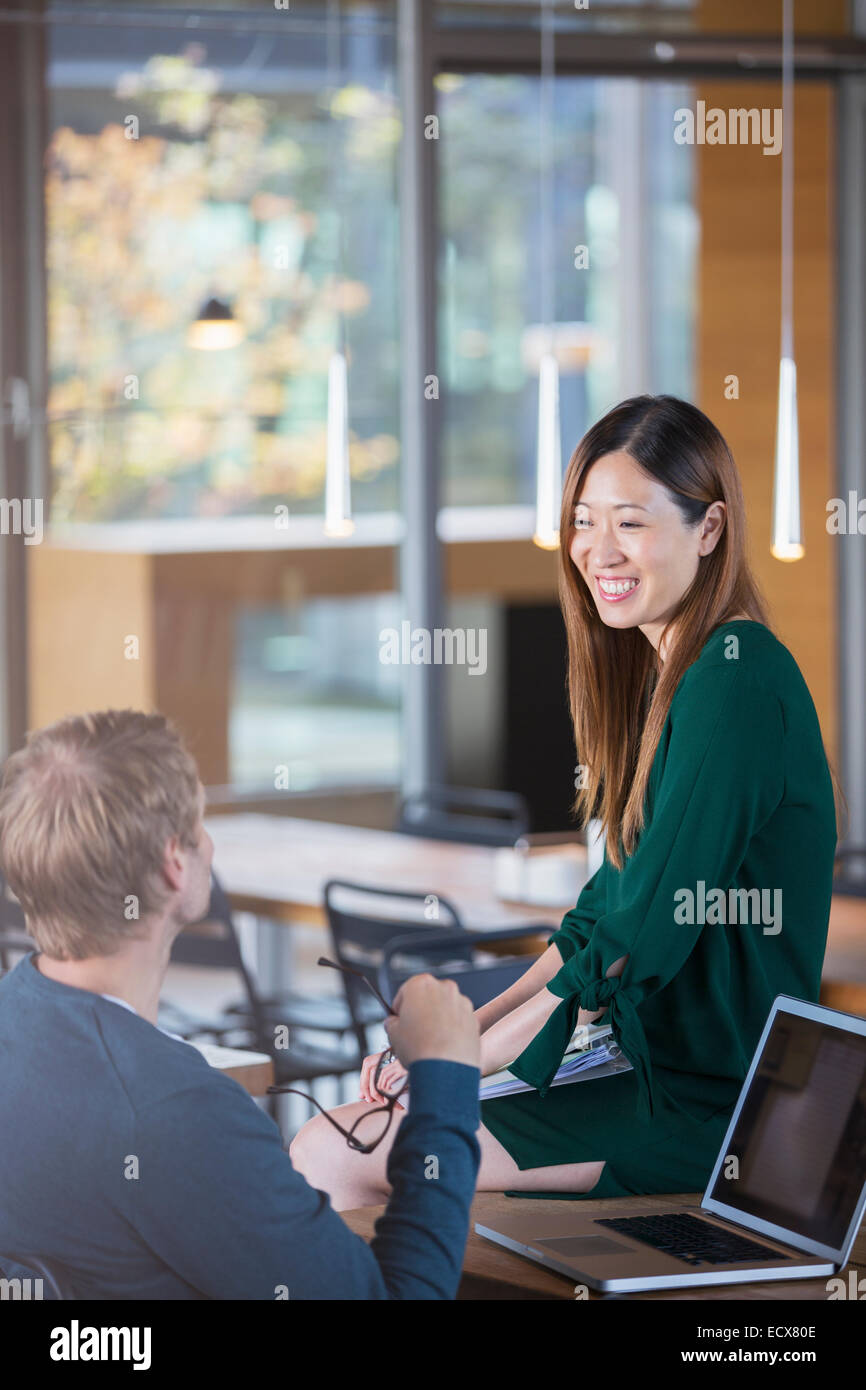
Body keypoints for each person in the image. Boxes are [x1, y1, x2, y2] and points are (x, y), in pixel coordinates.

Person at [291, 392, 840, 1211]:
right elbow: (593, 924)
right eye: (584, 520)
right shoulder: (672, 682)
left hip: (708, 1111)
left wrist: (457, 1068)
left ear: (710, 529)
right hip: (638, 1076)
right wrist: (464, 1045)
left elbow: (633, 942)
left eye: (631, 522)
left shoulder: (736, 679)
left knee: (341, 1154)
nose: (597, 550)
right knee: (344, 1140)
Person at [0, 710, 481, 1299]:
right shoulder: (179, 1115)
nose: (210, 841)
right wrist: (446, 1078)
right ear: (174, 864)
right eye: (199, 823)